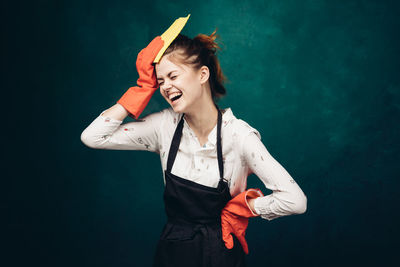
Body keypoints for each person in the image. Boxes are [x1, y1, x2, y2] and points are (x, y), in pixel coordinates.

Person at [81, 30, 307, 267]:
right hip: (173, 254)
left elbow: (295, 201)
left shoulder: (238, 135)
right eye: (160, 81)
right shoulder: (163, 126)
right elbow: (93, 137)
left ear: (202, 74)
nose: (166, 87)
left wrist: (246, 207)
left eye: (173, 76)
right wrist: (140, 91)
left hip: (222, 256)